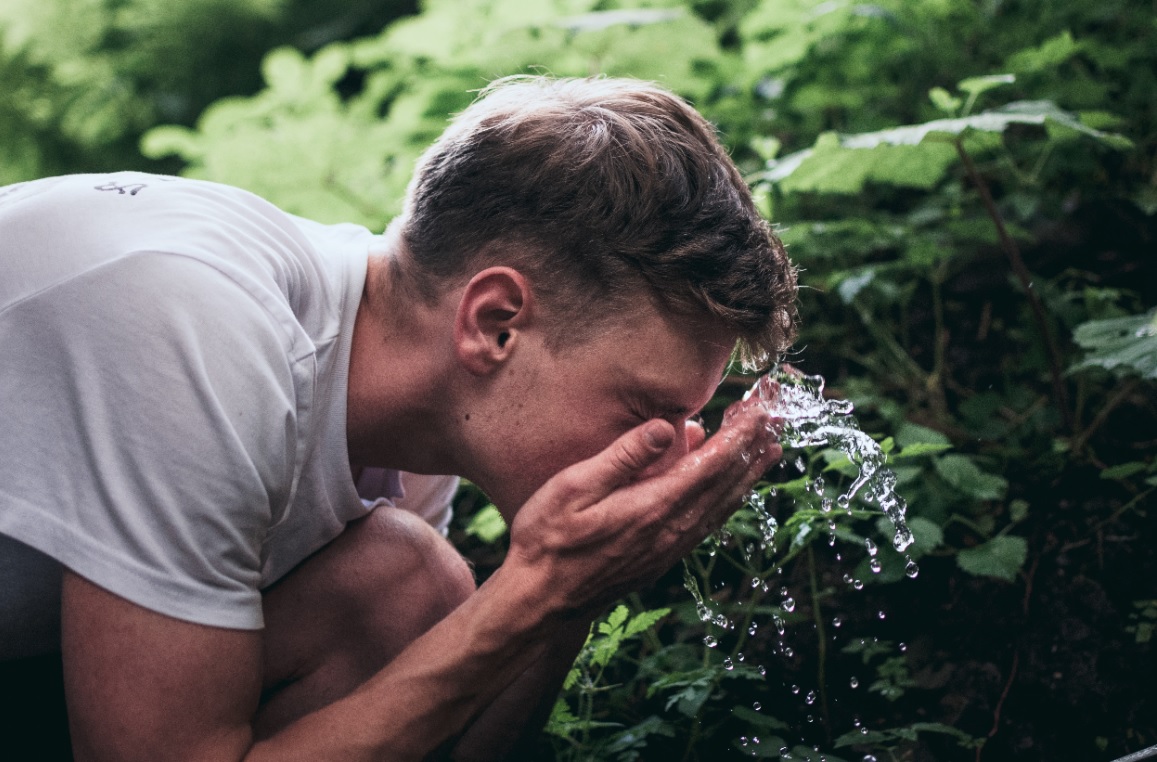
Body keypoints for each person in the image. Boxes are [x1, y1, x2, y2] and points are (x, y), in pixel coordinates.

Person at [0, 75, 797, 760]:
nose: (662, 455)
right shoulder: (201, 329)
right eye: (645, 411)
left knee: (401, 590)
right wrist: (538, 585)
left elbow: (447, 741)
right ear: (494, 323)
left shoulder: (405, 407)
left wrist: (568, 597)